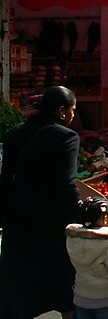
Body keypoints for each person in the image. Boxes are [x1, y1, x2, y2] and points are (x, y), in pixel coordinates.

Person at [0, 86, 82, 318]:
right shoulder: (66, 136)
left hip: (17, 220)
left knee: (18, 288)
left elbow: (4, 178)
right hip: (50, 224)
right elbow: (66, 183)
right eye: (72, 109)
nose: (73, 115)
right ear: (61, 111)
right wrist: (81, 216)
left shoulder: (13, 133)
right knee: (64, 286)